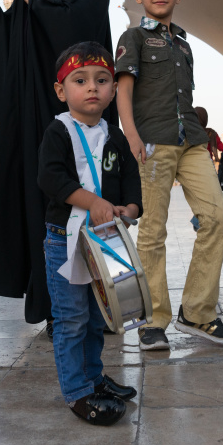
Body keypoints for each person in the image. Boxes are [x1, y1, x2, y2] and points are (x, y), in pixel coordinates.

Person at [0, 0, 116, 326]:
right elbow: (4, 49)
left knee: (83, 208)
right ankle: (54, 306)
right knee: (45, 213)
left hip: (81, 126)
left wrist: (34, 1)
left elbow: (72, 26)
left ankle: (97, 307)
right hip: (35, 119)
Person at [115, 0, 223, 350]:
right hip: (152, 142)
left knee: (217, 217)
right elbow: (123, 90)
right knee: (152, 232)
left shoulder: (184, 44)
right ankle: (154, 322)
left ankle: (197, 313)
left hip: (192, 142)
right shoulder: (132, 38)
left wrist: (203, 138)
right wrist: (131, 136)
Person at [38, 41, 142, 425]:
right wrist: (92, 202)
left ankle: (94, 376)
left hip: (103, 240)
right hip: (64, 239)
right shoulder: (59, 131)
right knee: (72, 318)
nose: (92, 87)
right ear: (62, 90)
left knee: (98, 316)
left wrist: (127, 209)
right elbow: (50, 177)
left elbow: (131, 184)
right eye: (80, 80)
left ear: (113, 89)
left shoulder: (115, 137)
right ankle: (77, 393)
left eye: (102, 79)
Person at [189, 107, 223, 231]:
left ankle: (198, 223)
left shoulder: (190, 133)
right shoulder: (211, 133)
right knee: (211, 197)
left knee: (199, 199)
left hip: (193, 169)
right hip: (208, 169)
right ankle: (206, 223)